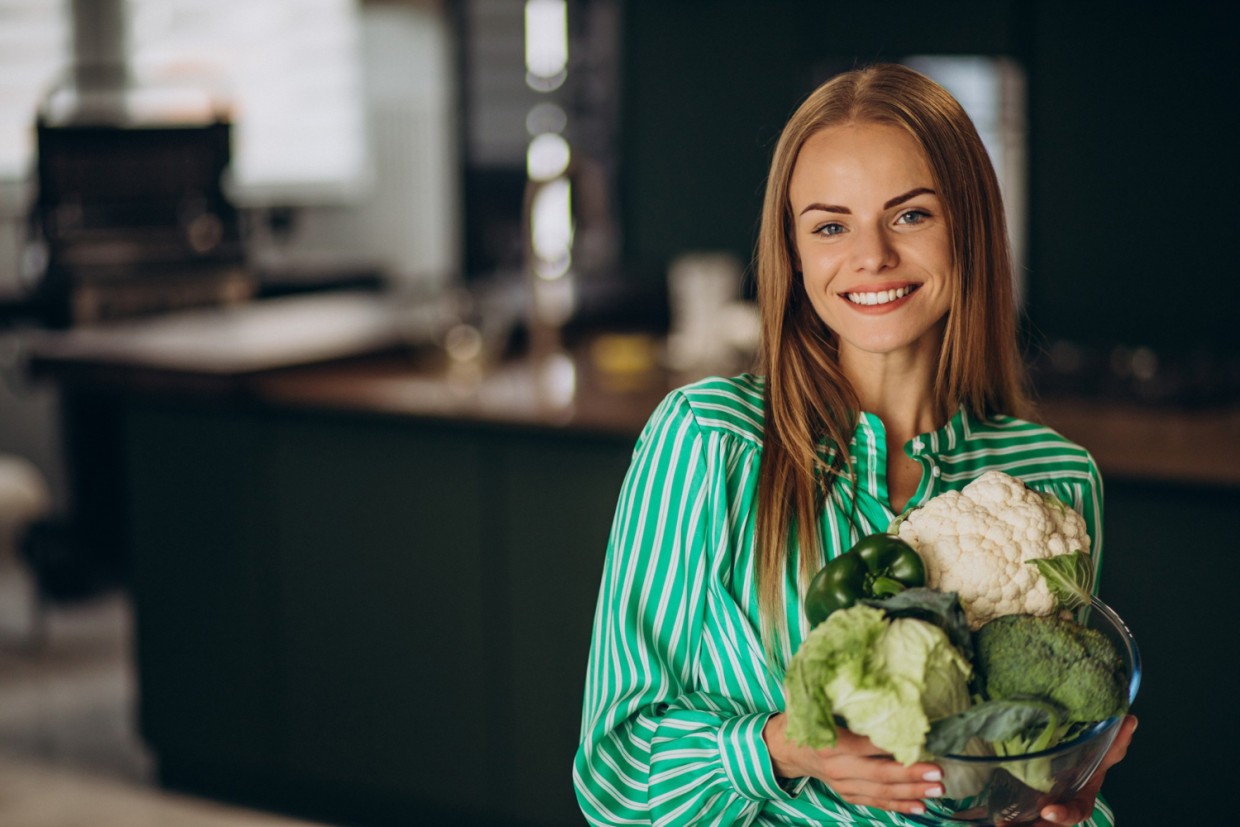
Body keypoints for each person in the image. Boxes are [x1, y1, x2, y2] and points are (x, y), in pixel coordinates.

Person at [572, 63, 1136, 826]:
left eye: (910, 216)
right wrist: (783, 748)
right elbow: (617, 775)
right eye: (831, 225)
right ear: (795, 252)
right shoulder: (709, 441)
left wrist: (1064, 794)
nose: (870, 256)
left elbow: (1034, 773)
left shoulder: (1055, 479)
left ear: (968, 225)